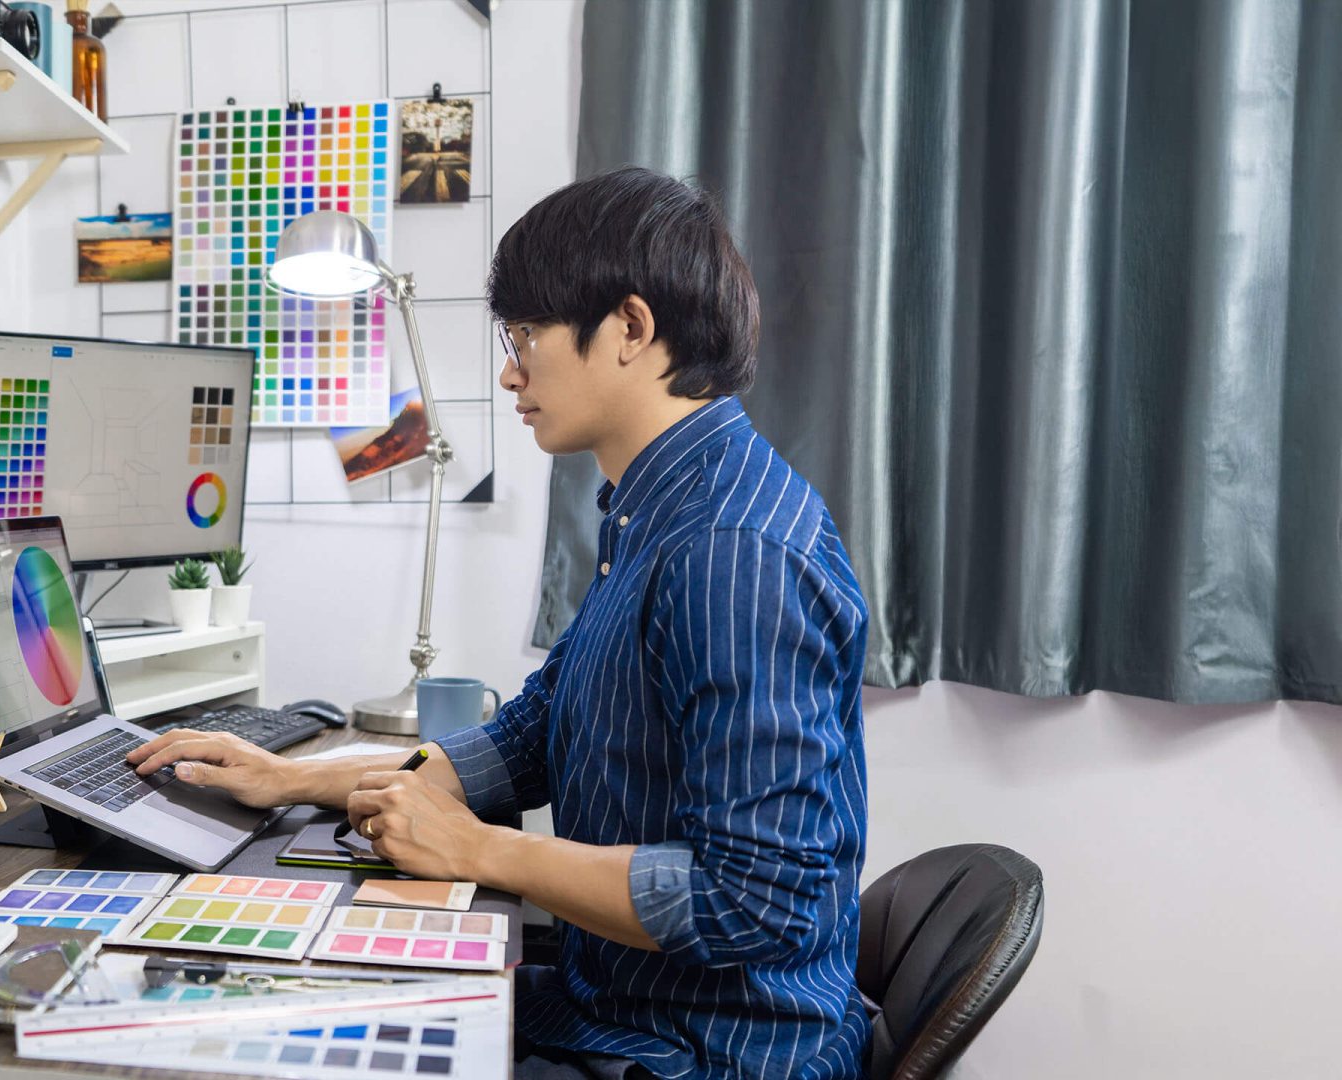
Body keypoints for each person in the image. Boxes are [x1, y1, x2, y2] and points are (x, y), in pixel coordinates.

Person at [128, 166, 871, 1079]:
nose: (510, 370)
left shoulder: (730, 548)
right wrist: (291, 775)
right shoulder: (652, 510)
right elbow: (528, 740)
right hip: (623, 1005)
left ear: (631, 329)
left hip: (703, 1050)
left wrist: (481, 848)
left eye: (525, 336)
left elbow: (757, 902)